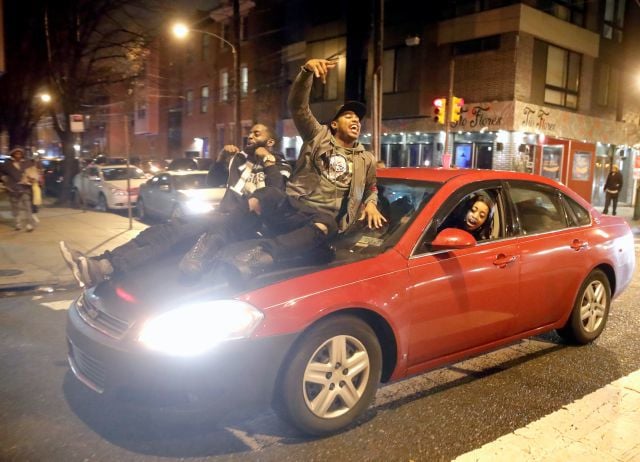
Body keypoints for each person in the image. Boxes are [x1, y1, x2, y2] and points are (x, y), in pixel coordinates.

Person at [59, 124, 292, 287]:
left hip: (245, 226)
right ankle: (103, 265)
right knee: (164, 232)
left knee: (174, 231)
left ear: (270, 141)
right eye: (249, 133)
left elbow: (276, 192)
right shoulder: (240, 160)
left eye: (257, 133)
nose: (250, 136)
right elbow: (212, 181)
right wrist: (221, 160)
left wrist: (268, 159)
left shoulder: (280, 166)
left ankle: (103, 267)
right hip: (222, 216)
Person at [0, 147, 38, 232]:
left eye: (20, 153)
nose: (18, 155)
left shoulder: (26, 163)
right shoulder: (7, 164)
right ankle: (18, 223)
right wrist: (3, 178)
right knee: (15, 207)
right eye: (16, 153)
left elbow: (33, 172)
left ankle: (29, 224)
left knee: (27, 207)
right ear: (13, 154)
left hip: (25, 188)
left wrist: (32, 178)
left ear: (22, 155)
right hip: (13, 189)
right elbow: (1, 172)